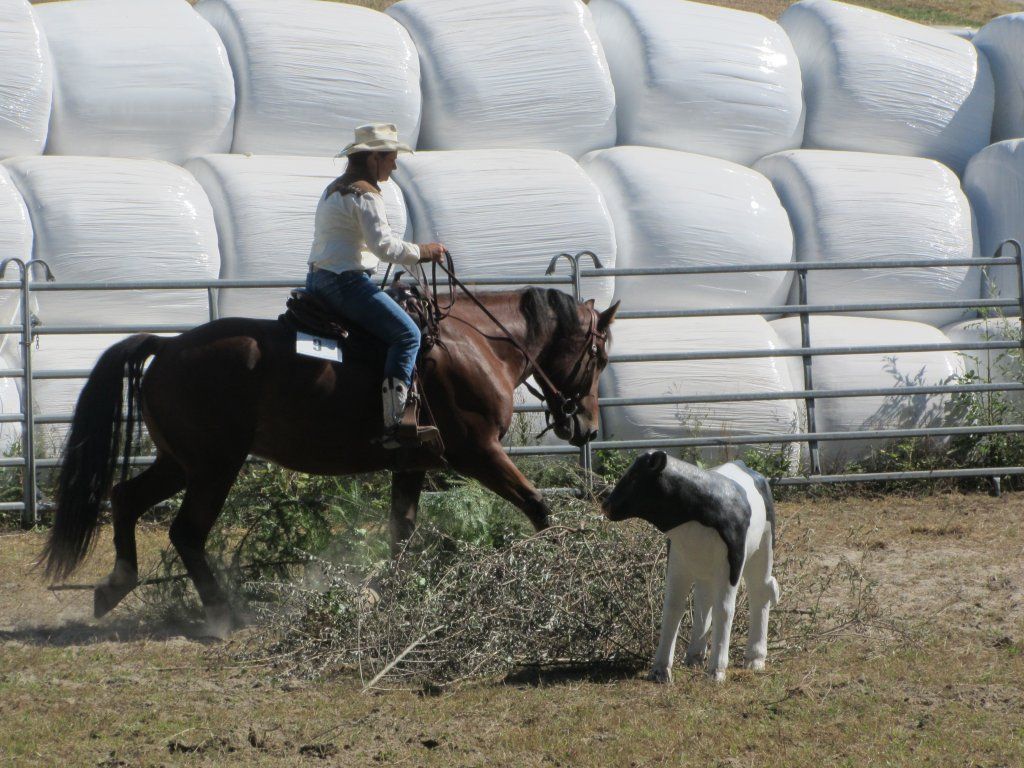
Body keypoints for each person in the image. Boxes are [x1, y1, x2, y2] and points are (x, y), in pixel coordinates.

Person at [306, 123, 445, 448]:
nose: (394, 166)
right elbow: (384, 248)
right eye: (391, 158)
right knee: (408, 334)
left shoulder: (334, 188)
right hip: (346, 283)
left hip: (319, 279)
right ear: (374, 158)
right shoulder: (365, 194)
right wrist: (426, 252)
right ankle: (396, 423)